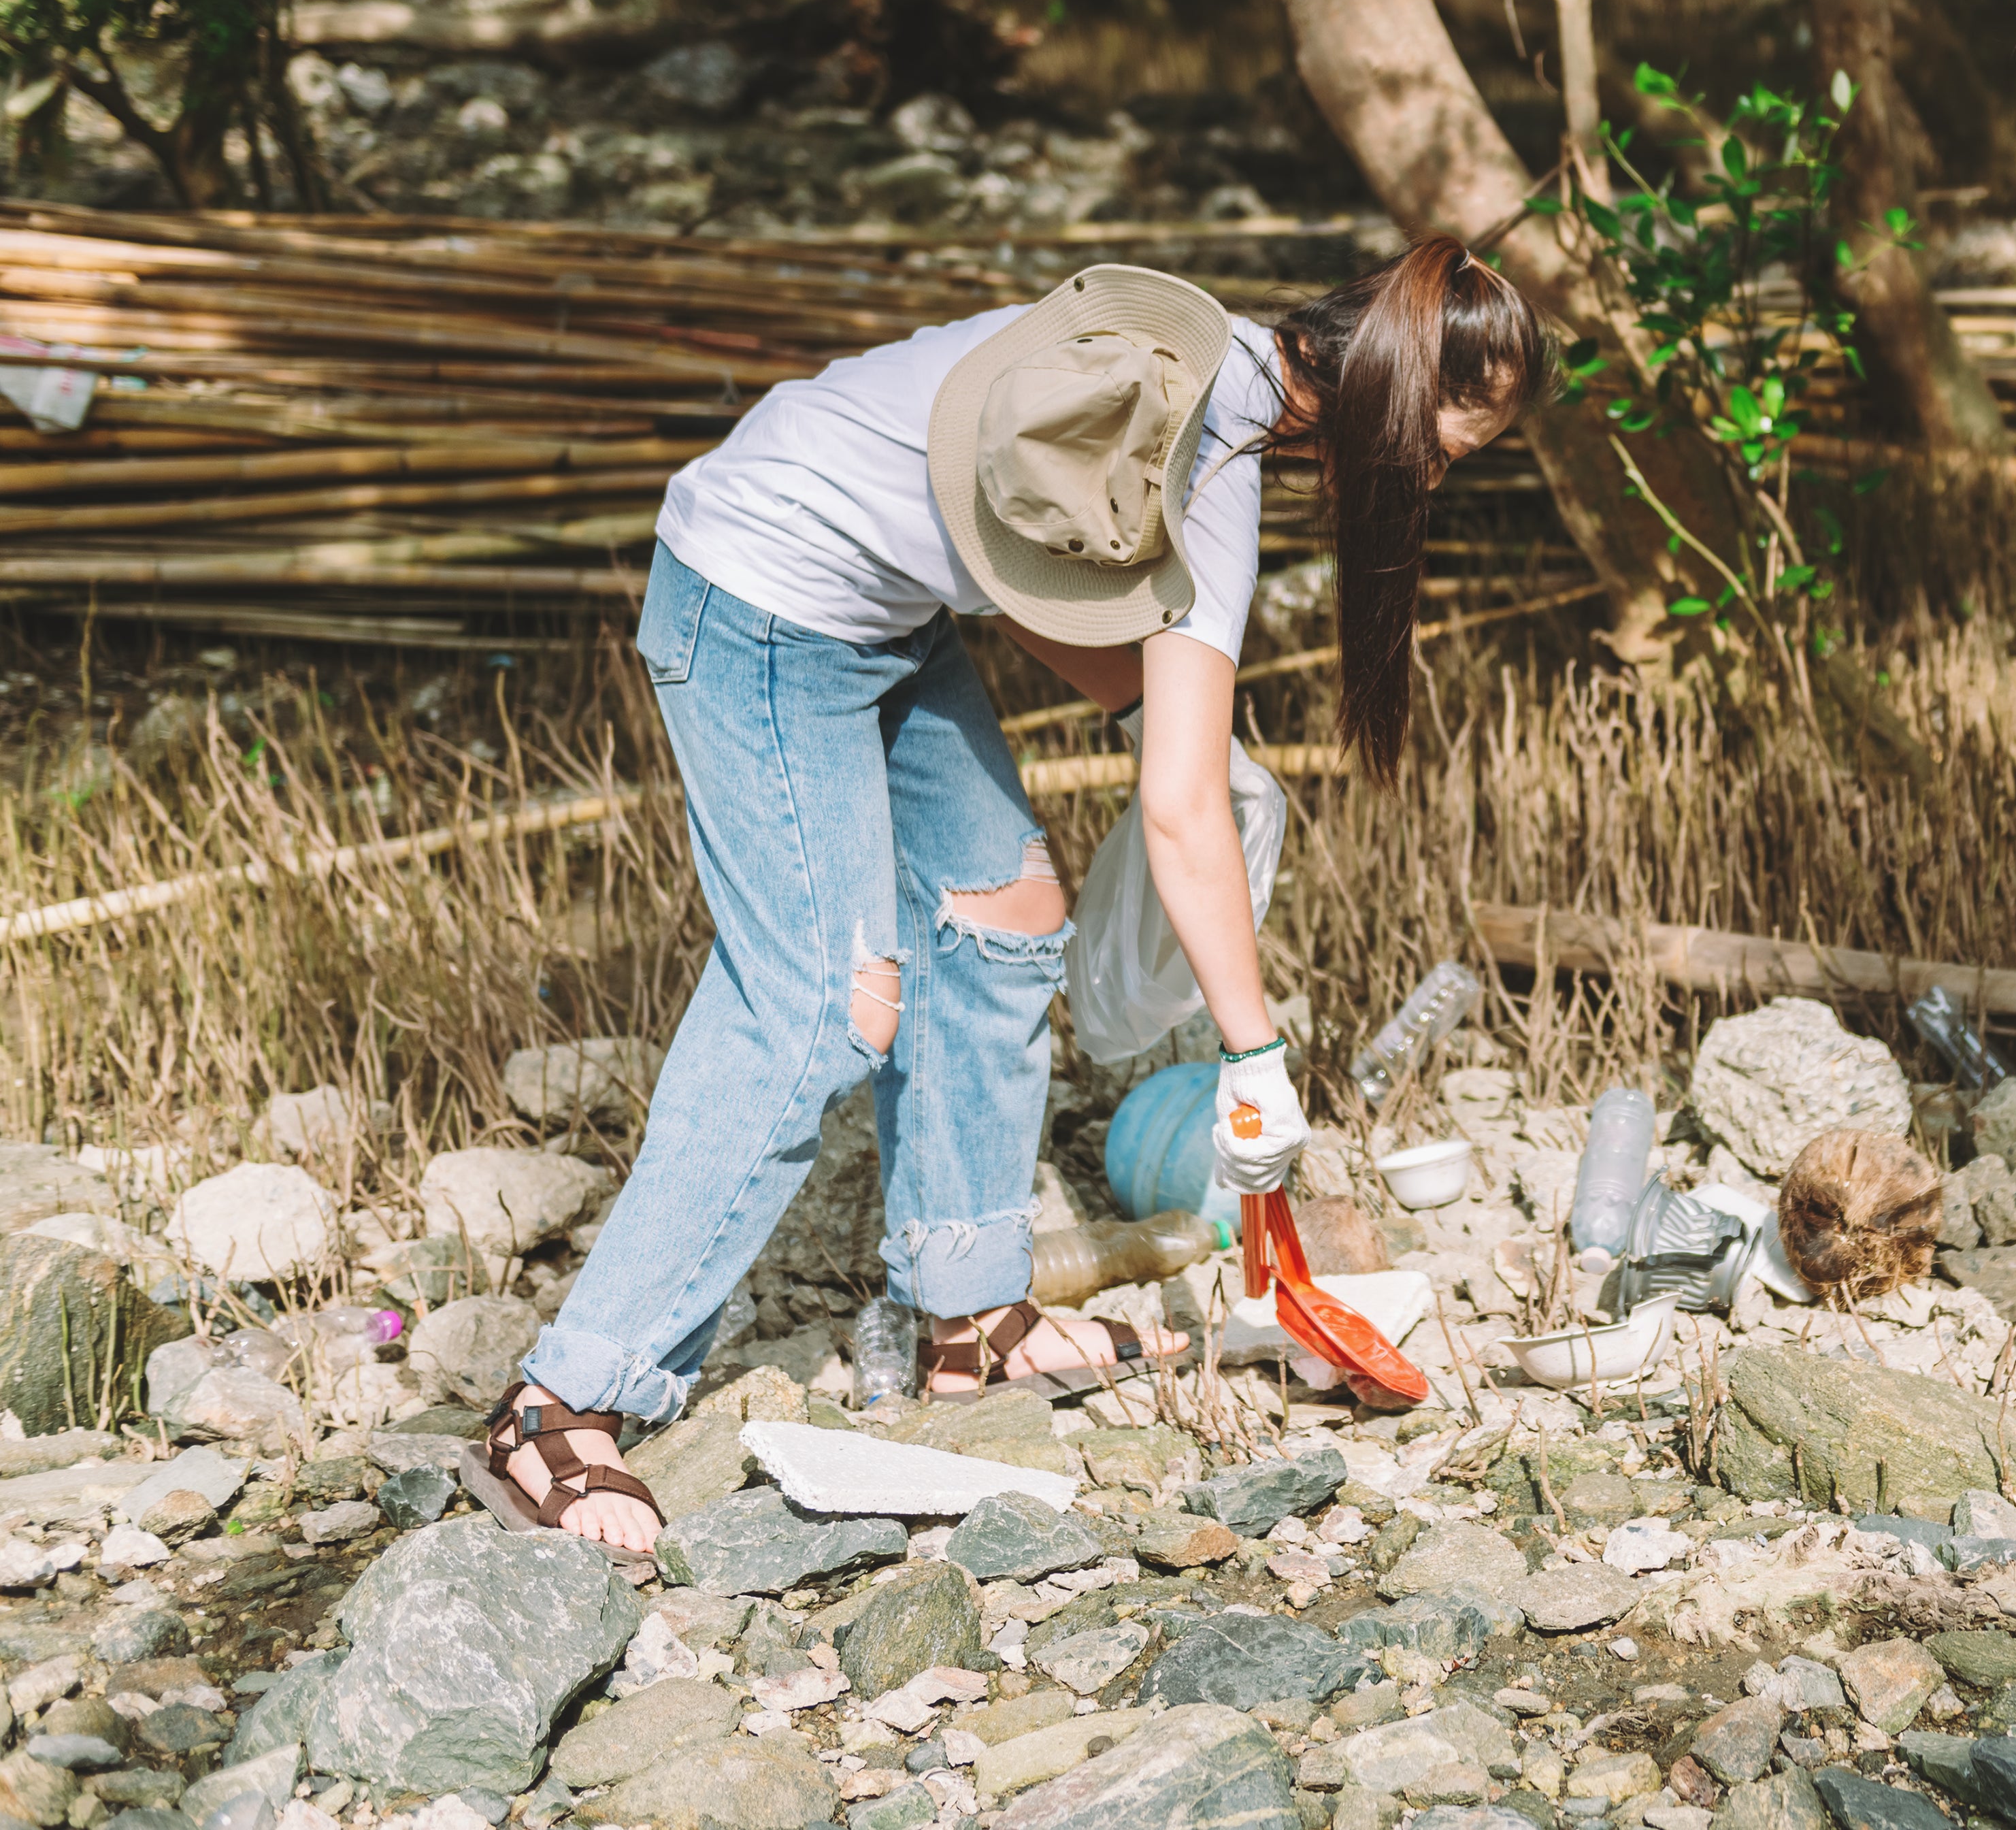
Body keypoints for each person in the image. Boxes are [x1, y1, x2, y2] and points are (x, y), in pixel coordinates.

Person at [473, 238, 1545, 1551]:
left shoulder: (1197, 370)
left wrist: (1183, 725)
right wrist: (1253, 1055)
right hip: (756, 593)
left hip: (884, 610)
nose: (1434, 479)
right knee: (824, 1005)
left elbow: (1012, 563)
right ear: (1387, 399)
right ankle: (560, 1401)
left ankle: (971, 1309)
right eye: (1445, 447)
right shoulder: (1194, 442)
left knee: (1006, 914)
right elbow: (1177, 812)